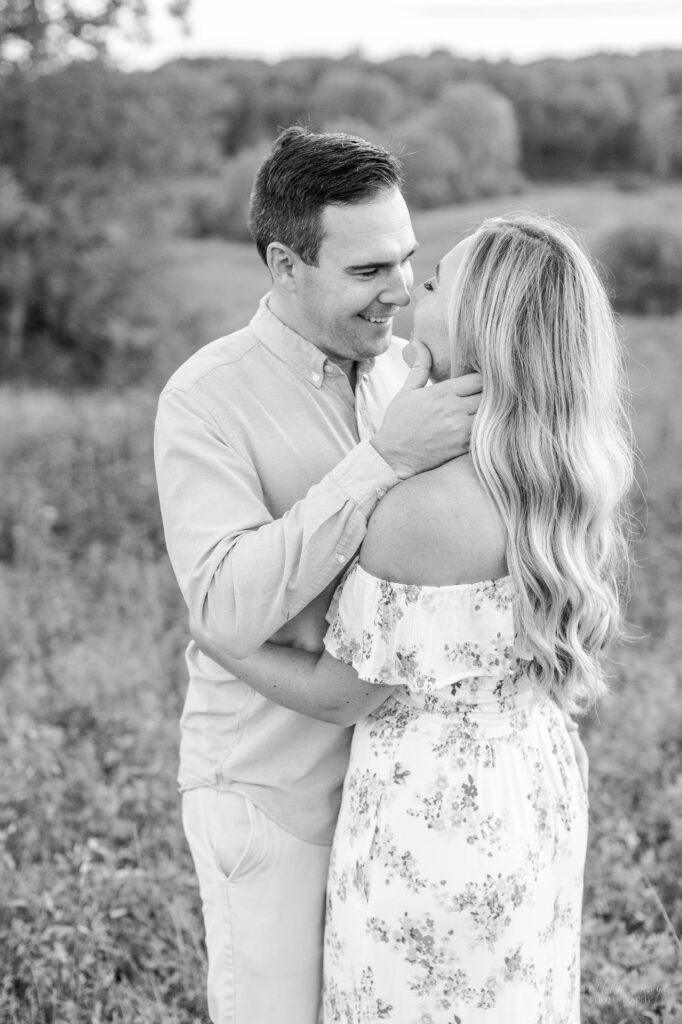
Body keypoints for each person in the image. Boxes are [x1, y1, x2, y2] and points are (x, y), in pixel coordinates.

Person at [203, 213, 633, 1022]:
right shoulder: (562, 469)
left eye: (433, 282)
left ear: (478, 325)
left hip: (432, 814)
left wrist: (221, 637)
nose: (407, 293)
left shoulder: (421, 508)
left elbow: (344, 692)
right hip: (531, 784)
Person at [153, 126, 484, 1024]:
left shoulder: (402, 378)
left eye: (408, 261)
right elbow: (222, 604)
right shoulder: (205, 397)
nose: (402, 291)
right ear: (284, 263)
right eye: (369, 270)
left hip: (399, 799)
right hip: (274, 795)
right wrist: (380, 462)